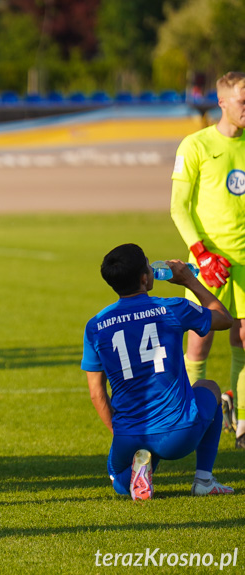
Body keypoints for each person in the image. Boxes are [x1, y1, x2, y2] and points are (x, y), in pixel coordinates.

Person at [81, 243, 234, 500]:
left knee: (119, 481)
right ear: (144, 278)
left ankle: (140, 469)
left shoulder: (95, 326)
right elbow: (224, 318)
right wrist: (189, 281)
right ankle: (204, 480)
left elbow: (97, 394)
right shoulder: (172, 308)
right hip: (178, 435)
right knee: (209, 387)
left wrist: (123, 434)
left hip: (130, 435)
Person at [171, 71, 245, 449]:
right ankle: (187, 416)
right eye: (243, 100)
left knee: (244, 338)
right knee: (199, 343)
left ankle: (243, 421)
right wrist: (201, 252)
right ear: (222, 102)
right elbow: (178, 208)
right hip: (209, 264)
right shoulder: (195, 145)